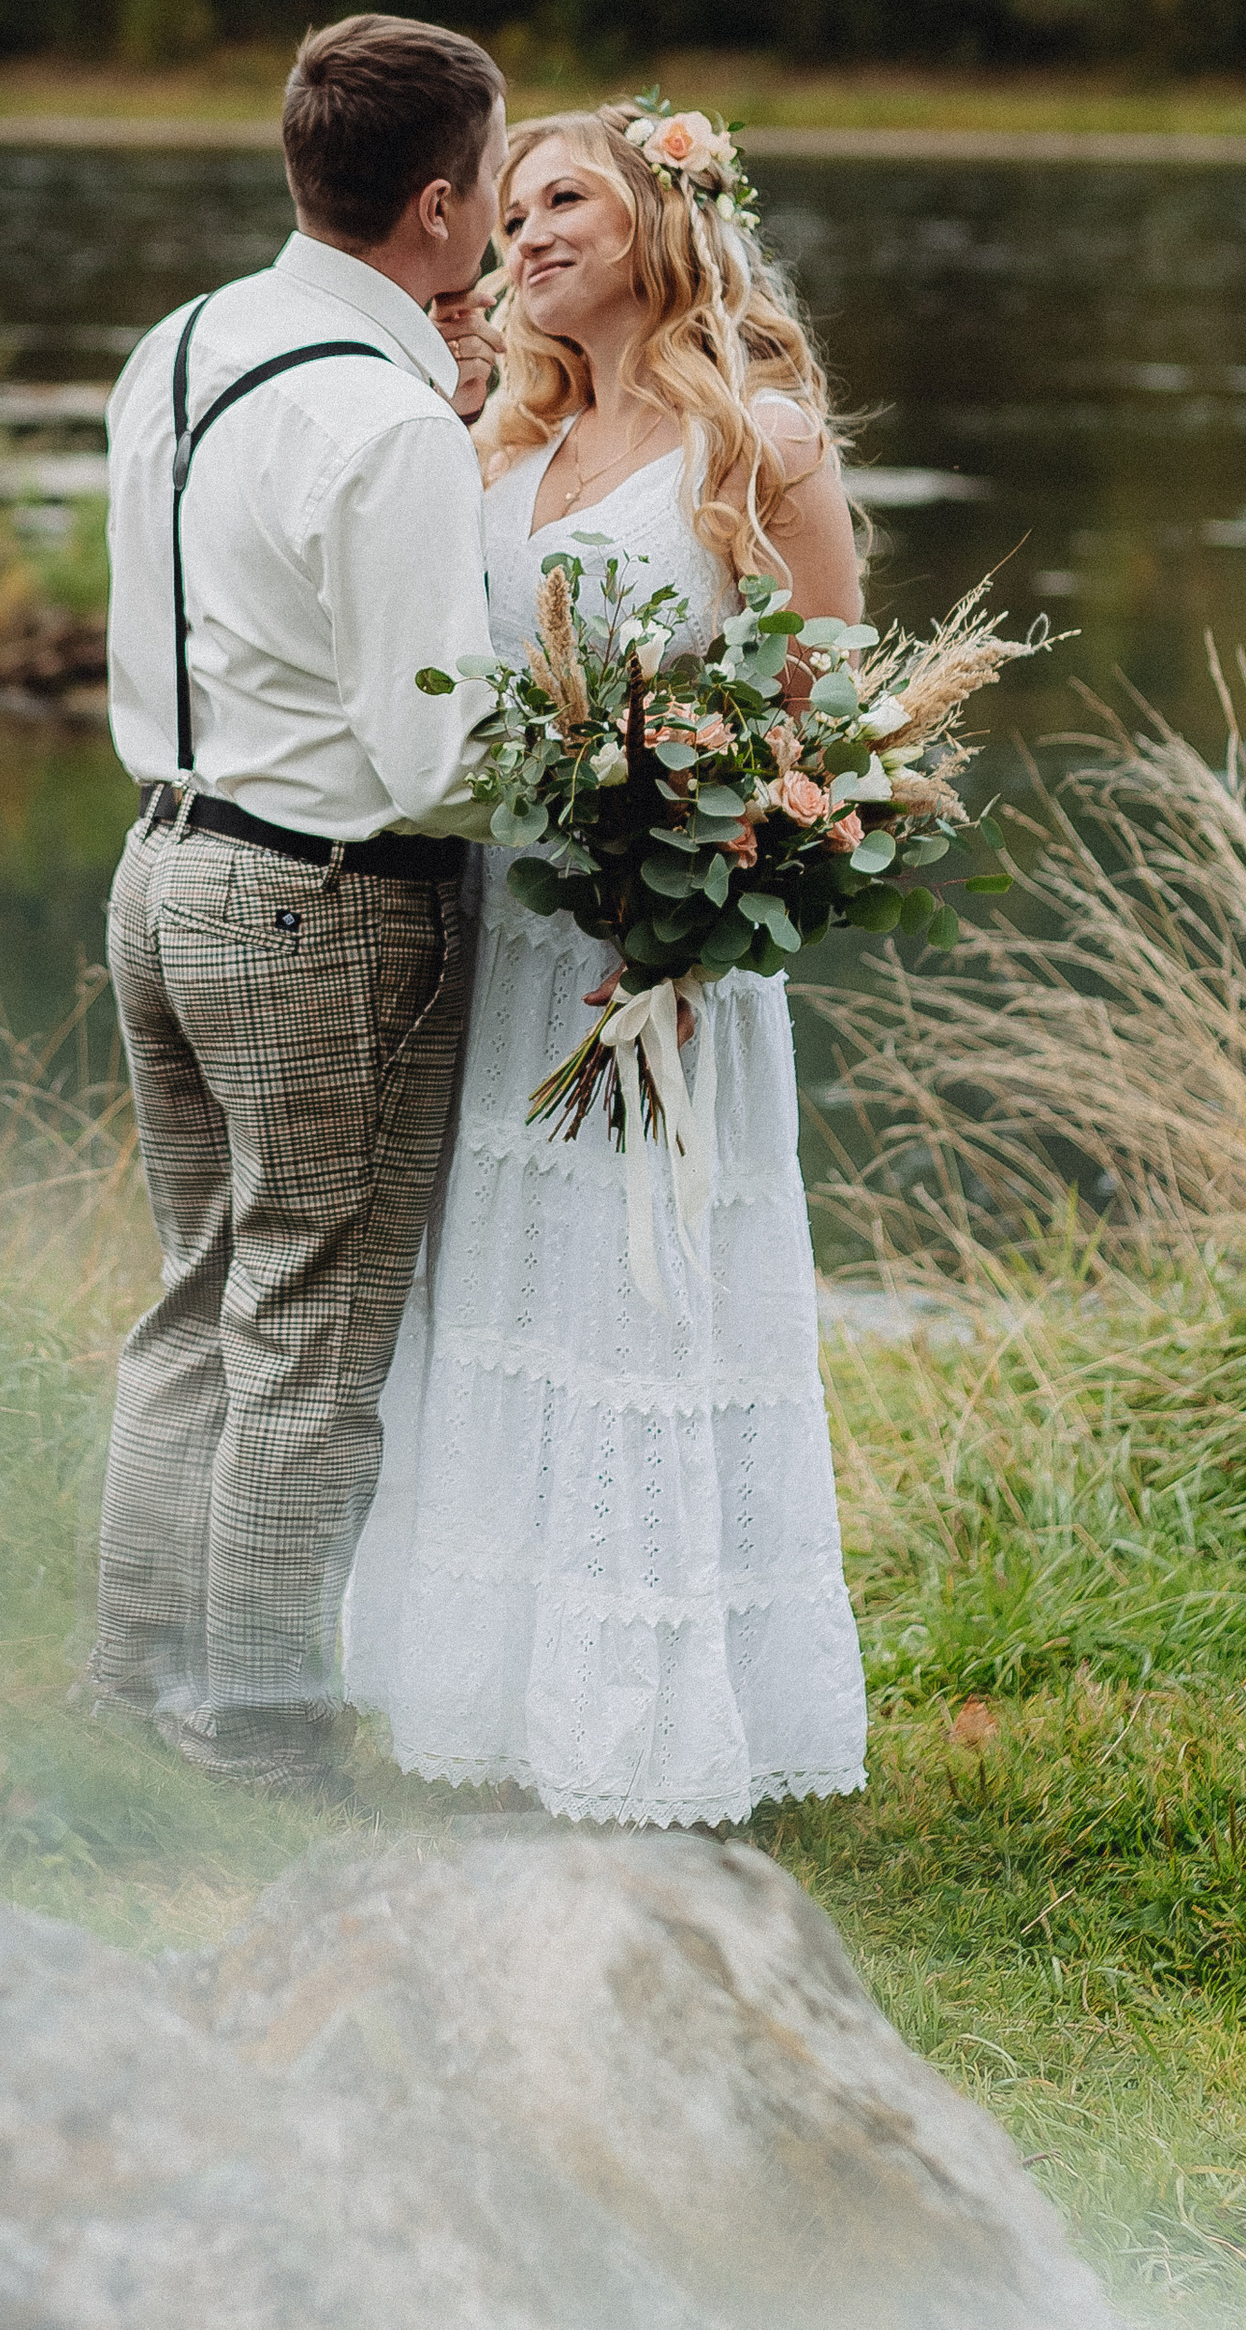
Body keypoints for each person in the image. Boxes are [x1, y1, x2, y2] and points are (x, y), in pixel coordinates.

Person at [345, 98, 871, 1825]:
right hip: (515, 940)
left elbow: (833, 718)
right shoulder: (500, 442)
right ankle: (490, 1700)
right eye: (506, 214)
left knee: (645, 1301)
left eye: (561, 197)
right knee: (504, 1289)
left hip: (670, 964)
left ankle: (650, 1716)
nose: (522, 235)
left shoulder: (760, 439)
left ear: (658, 215)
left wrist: (710, 897)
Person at [90, 11, 507, 1798]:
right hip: (324, 912)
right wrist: (623, 786)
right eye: (491, 184)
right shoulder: (386, 421)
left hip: (163, 869)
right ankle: (263, 1735)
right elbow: (441, 760)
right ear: (436, 204)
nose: (496, 220)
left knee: (196, 1298)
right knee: (314, 1342)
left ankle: (138, 1680)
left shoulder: (179, 345)